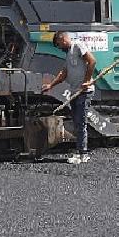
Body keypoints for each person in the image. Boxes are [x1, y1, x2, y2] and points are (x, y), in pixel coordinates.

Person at [42, 31, 97, 164]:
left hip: (84, 91)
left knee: (81, 122)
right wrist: (51, 85)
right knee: (77, 122)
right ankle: (80, 152)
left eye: (59, 44)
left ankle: (83, 154)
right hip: (74, 92)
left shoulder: (78, 46)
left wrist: (87, 80)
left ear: (63, 39)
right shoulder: (68, 54)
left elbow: (92, 61)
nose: (59, 47)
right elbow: (64, 73)